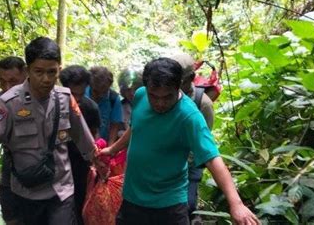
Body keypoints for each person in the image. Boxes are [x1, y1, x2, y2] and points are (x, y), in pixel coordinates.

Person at [0, 37, 103, 224]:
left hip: (61, 191)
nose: (46, 79)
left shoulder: (65, 99)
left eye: (52, 72)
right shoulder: (8, 103)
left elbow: (83, 136)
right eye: (39, 72)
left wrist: (98, 161)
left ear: (59, 69)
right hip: (25, 194)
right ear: (28, 70)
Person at [100, 58, 260, 225]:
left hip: (168, 205)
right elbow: (135, 128)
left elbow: (212, 158)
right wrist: (113, 150)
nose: (160, 103)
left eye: (167, 97)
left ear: (179, 86)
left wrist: (237, 204)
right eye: (154, 96)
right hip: (132, 198)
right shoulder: (140, 96)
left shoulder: (189, 116)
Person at [171, 53, 214, 220]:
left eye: (179, 81)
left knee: (187, 205)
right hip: (167, 162)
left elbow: (203, 142)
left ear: (191, 78)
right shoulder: (168, 97)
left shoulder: (203, 104)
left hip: (189, 165)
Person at [59, 65, 102, 225]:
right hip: (57, 164)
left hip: (80, 166)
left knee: (80, 205)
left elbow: (93, 137)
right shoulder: (53, 105)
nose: (76, 99)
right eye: (72, 94)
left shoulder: (90, 108)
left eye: (80, 94)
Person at [86, 66, 123, 145]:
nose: (100, 95)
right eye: (96, 91)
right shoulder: (82, 94)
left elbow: (115, 125)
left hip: (102, 145)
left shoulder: (113, 99)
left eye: (104, 92)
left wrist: (110, 147)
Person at [117, 68, 143, 137]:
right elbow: (118, 129)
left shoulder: (150, 105)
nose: (132, 93)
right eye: (128, 90)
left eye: (135, 89)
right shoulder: (120, 107)